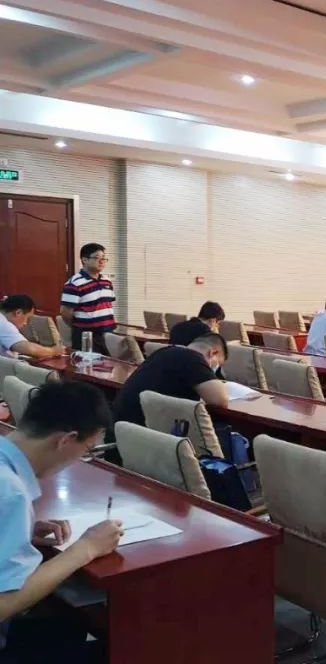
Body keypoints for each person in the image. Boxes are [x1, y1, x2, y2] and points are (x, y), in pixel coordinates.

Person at [0, 381, 124, 664]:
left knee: (70, 624)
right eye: (87, 449)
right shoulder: (10, 491)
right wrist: (86, 548)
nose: (82, 458)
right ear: (65, 440)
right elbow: (3, 603)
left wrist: (21, 531)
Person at [112, 333, 229, 427]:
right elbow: (220, 400)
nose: (215, 369)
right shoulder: (193, 358)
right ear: (213, 352)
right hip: (143, 431)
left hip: (124, 429)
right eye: (218, 364)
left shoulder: (165, 351)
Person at [60, 243, 116, 354]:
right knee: (87, 363)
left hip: (108, 333)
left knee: (108, 363)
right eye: (97, 258)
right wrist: (81, 325)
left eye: (104, 258)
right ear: (84, 260)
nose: (102, 261)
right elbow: (65, 313)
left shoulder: (107, 281)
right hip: (86, 335)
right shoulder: (74, 283)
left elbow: (107, 306)